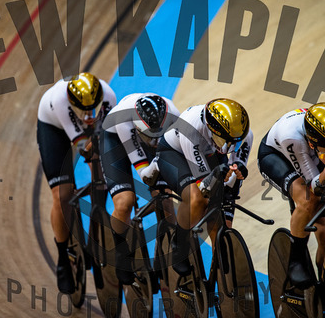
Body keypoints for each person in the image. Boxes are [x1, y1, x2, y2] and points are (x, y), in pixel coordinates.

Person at [257, 102, 325, 289]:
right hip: (277, 155)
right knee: (308, 201)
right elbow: (314, 187)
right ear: (312, 143)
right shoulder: (292, 136)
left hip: (311, 154)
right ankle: (296, 259)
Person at [36, 72, 116, 294]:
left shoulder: (109, 96)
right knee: (62, 195)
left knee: (102, 173)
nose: (89, 115)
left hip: (83, 128)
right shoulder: (60, 100)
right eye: (84, 110)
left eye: (93, 109)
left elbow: (108, 140)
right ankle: (63, 257)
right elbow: (84, 148)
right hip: (54, 128)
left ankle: (95, 226)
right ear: (73, 103)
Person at [156, 98, 253, 276]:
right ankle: (179, 244)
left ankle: (219, 280)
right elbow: (204, 188)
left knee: (221, 218)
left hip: (208, 152)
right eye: (223, 141)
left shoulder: (244, 136)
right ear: (210, 128)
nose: (229, 148)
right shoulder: (191, 126)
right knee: (197, 200)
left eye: (234, 144)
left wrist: (237, 173)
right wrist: (216, 176)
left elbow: (232, 185)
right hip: (175, 154)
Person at [100, 93, 180, 285]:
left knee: (166, 200)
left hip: (151, 136)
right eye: (151, 137)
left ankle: (170, 250)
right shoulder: (124, 120)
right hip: (115, 140)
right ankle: (121, 253)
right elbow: (145, 174)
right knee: (125, 202)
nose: (154, 142)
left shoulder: (173, 115)